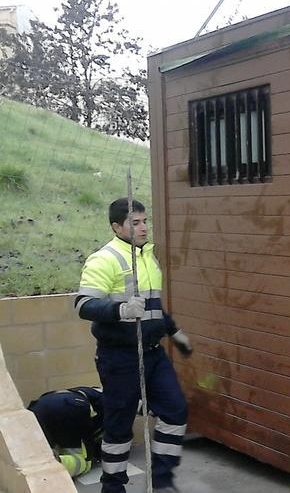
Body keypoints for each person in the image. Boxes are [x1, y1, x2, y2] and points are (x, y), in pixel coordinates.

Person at [74, 198, 194, 493]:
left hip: (153, 353)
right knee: (119, 426)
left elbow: (152, 307)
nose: (143, 228)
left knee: (175, 411)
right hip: (119, 358)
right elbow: (83, 305)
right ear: (117, 227)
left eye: (144, 221)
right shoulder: (105, 259)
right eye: (135, 222)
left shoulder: (147, 257)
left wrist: (174, 331)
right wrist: (121, 310)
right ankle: (113, 488)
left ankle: (161, 481)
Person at [28, 386, 104, 477]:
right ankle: (56, 466)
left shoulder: (95, 391)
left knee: (43, 448)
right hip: (72, 407)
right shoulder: (113, 403)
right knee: (85, 462)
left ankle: (42, 459)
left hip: (38, 407)